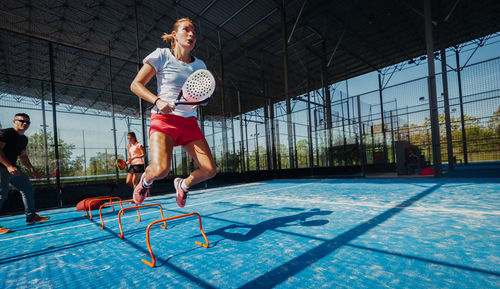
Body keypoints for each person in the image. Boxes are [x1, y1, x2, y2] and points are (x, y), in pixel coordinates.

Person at [130, 17, 217, 207]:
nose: (191, 34)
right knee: (161, 170)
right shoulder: (161, 55)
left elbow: (202, 94)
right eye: (186, 30)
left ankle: (183, 185)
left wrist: (201, 102)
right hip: (163, 120)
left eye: (194, 31)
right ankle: (145, 182)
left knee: (210, 170)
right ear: (174, 35)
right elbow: (136, 85)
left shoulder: (200, 65)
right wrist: (157, 100)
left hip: (189, 123)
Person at [0, 113, 50, 234]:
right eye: (21, 121)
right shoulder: (5, 133)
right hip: (2, 167)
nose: (25, 124)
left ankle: (31, 216)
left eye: (27, 122)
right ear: (14, 121)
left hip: (13, 168)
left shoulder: (23, 139)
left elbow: (23, 156)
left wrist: (32, 169)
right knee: (1, 195)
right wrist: (8, 166)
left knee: (27, 188)